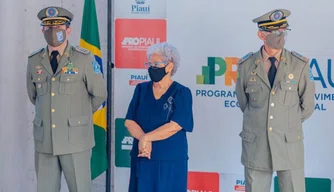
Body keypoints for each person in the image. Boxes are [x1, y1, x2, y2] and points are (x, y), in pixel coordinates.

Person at [26, 6, 107, 192]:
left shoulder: (84, 59)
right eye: (48, 28)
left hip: (75, 140)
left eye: (59, 28)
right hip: (45, 140)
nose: (53, 32)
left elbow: (99, 94)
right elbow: (33, 95)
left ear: (68, 30)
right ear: (42, 30)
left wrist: (78, 114)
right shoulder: (34, 60)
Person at [235, 9, 315, 192]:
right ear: (261, 35)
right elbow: (244, 103)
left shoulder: (299, 64)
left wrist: (285, 121)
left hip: (289, 144)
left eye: (284, 31)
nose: (281, 36)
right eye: (275, 32)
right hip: (257, 145)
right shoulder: (246, 66)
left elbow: (307, 105)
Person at [124, 42, 194, 192]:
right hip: (143, 157)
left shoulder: (182, 93)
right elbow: (129, 121)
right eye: (149, 64)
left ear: (169, 66)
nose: (151, 68)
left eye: (156, 64)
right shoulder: (141, 89)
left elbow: (175, 125)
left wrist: (146, 138)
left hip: (170, 161)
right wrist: (143, 138)